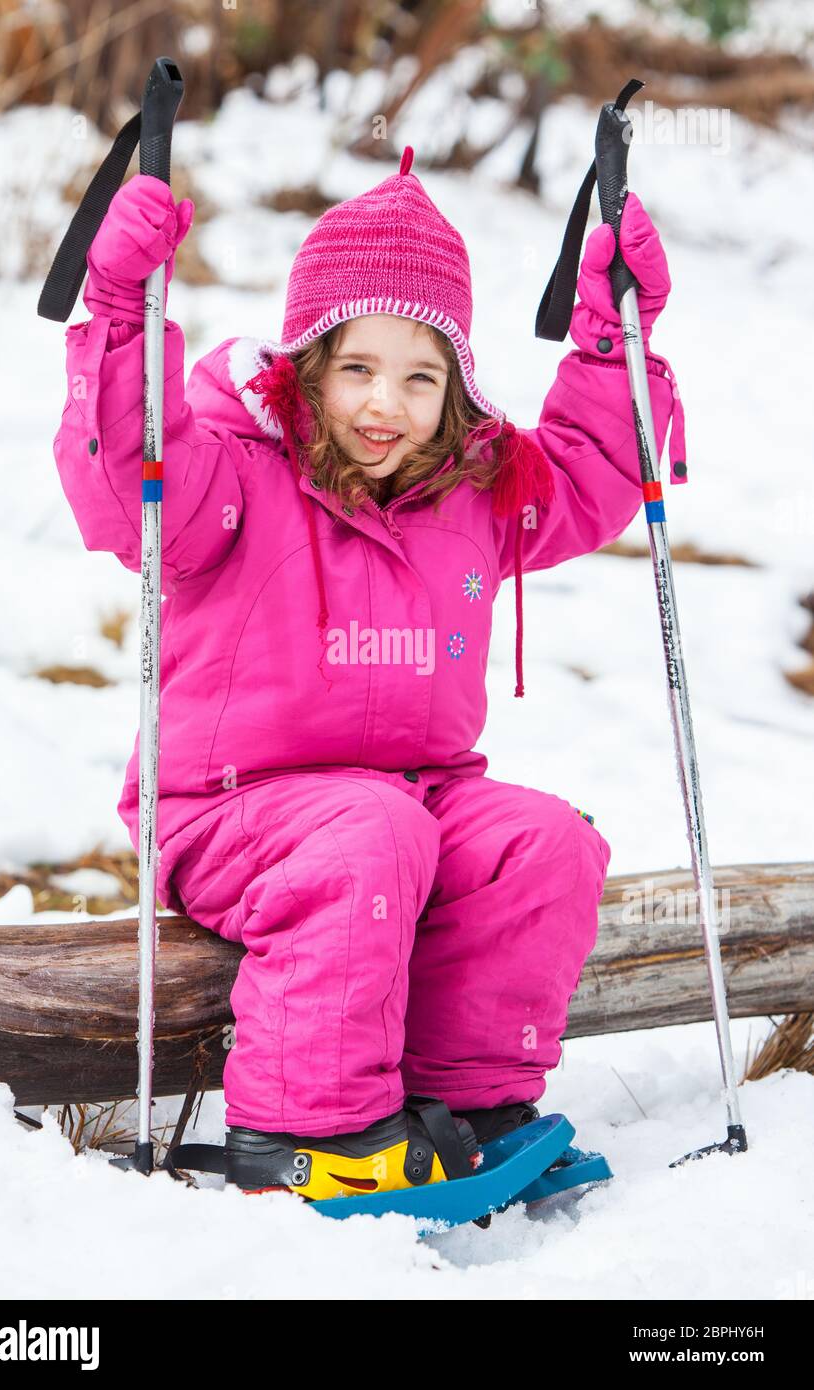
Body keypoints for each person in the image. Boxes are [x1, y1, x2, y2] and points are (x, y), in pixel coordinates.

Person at [52, 146, 683, 1201]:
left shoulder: (472, 490)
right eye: (355, 367)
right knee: (369, 832)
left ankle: (465, 1104)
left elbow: (592, 474)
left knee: (543, 847)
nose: (384, 402)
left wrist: (614, 339)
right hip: (228, 808)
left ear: (455, 386)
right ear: (305, 361)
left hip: (416, 801)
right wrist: (122, 311)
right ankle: (312, 1135)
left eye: (419, 375)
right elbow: (128, 479)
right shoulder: (231, 469)